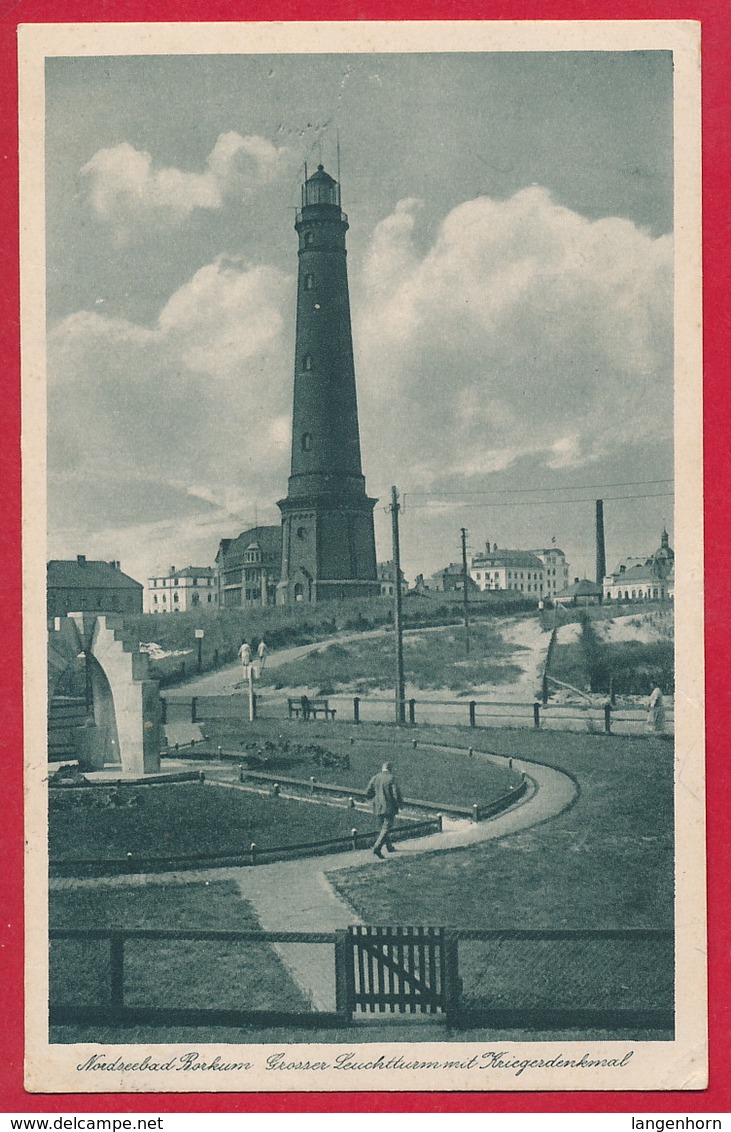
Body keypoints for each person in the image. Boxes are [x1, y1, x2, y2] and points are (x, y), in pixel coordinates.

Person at [365, 762, 403, 859]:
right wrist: (399, 804)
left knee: (383, 827)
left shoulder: (375, 777)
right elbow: (396, 794)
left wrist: (374, 801)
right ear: (390, 768)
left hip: (378, 807)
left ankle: (389, 847)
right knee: (386, 828)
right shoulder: (391, 778)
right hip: (389, 807)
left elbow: (368, 792)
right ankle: (377, 848)